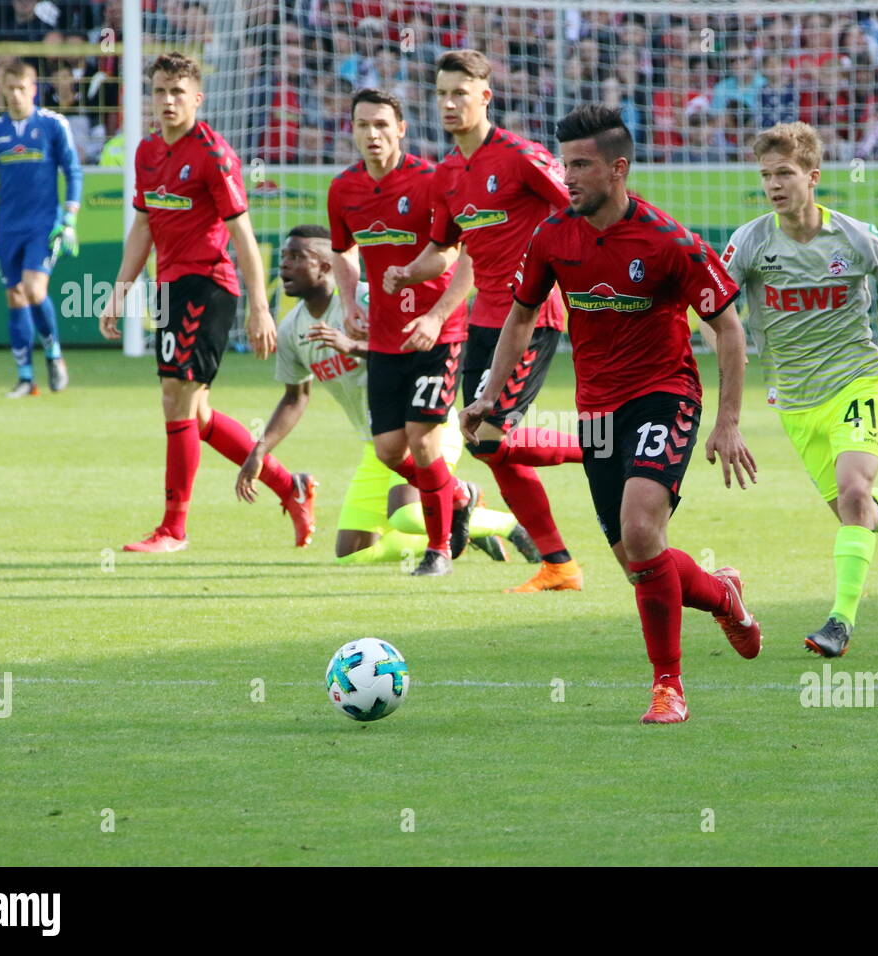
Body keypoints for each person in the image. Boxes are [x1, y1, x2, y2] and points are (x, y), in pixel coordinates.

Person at [462, 104, 761, 725]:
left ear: (617, 169)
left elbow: (729, 329)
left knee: (644, 531)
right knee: (638, 563)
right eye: (563, 162)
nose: (565, 175)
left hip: (664, 393)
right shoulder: (551, 235)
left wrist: (727, 421)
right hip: (596, 410)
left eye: (579, 165)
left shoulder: (668, 241)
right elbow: (519, 316)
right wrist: (491, 394)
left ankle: (668, 688)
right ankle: (722, 594)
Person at [718, 121, 878, 659]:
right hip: (796, 402)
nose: (774, 185)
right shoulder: (750, 242)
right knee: (861, 516)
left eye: (784, 173)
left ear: (813, 175)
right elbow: (717, 312)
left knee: (854, 495)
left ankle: (839, 623)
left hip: (857, 380)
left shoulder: (855, 236)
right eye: (765, 176)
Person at [97, 52, 316, 553]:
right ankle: (291, 485)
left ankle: (174, 529)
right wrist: (120, 290)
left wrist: (260, 306)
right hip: (170, 288)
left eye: (178, 92)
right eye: (160, 91)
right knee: (194, 414)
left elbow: (241, 233)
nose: (168, 100)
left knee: (175, 399)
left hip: (209, 285)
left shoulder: (214, 153)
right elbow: (145, 224)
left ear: (197, 97)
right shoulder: (147, 151)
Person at [388, 49, 585, 594]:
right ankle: (559, 564)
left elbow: (583, 206)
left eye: (460, 93)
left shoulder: (522, 157)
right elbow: (443, 250)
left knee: (493, 434)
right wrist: (407, 272)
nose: (449, 104)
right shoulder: (447, 172)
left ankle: (600, 443)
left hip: (533, 314)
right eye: (442, 94)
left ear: (485, 97)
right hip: (483, 321)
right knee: (481, 439)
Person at [241, 225, 539, 566]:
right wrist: (260, 449)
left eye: (297, 257)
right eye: (284, 257)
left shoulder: (369, 300)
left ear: (326, 266)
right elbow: (295, 398)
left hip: (426, 428)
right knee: (351, 554)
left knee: (407, 515)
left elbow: (415, 352)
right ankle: (466, 522)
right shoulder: (292, 328)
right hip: (378, 445)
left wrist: (353, 346)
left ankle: (508, 524)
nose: (284, 267)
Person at [326, 88, 477, 577]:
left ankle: (439, 551)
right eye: (363, 125)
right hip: (385, 337)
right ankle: (456, 494)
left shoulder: (431, 182)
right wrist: (349, 301)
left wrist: (435, 316)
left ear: (401, 129)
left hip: (438, 331)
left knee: (424, 439)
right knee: (391, 449)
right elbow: (342, 251)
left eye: (382, 125)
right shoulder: (342, 190)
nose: (372, 134)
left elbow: (461, 253)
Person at [0, 60, 80, 398]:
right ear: (3, 90)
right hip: (8, 229)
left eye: (22, 88)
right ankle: (26, 378)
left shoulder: (53, 125)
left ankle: (54, 355)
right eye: (10, 88)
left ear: (33, 90)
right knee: (15, 297)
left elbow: (73, 171)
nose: (16, 95)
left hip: (43, 225)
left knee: (34, 289)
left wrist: (69, 219)